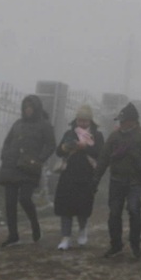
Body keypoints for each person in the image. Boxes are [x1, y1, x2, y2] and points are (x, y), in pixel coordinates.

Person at [94, 102, 141, 260]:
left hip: (134, 182)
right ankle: (116, 244)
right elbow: (103, 158)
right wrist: (96, 178)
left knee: (134, 211)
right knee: (114, 214)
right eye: (120, 122)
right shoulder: (115, 136)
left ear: (133, 121)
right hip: (116, 180)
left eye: (123, 121)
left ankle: (135, 244)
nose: (121, 124)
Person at [0, 94, 56, 246]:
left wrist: (39, 159)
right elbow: (8, 141)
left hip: (29, 168)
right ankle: (13, 235)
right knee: (9, 203)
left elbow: (51, 145)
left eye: (31, 107)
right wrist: (5, 155)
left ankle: (35, 224)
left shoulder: (44, 125)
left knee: (24, 199)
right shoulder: (18, 124)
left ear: (36, 108)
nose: (28, 110)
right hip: (11, 166)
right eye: (25, 107)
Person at [53, 104, 104, 250]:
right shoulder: (70, 133)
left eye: (85, 121)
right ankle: (65, 238)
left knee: (82, 208)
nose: (82, 123)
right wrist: (66, 147)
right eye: (79, 120)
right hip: (68, 176)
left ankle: (82, 230)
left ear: (90, 121)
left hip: (86, 177)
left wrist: (85, 147)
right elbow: (59, 151)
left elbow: (101, 153)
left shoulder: (97, 136)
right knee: (65, 209)